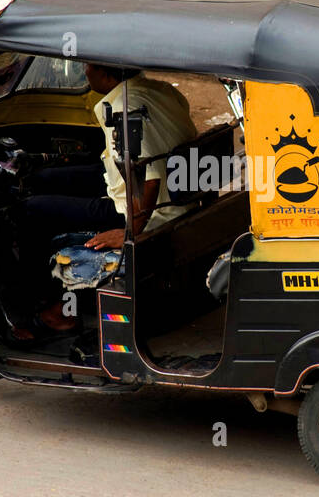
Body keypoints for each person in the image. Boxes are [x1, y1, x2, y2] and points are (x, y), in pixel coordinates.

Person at [11, 63, 194, 338]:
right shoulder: (160, 90)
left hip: (144, 209)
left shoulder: (123, 109)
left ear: (107, 74)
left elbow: (150, 177)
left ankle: (59, 312)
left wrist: (130, 232)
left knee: (29, 210)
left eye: (88, 67)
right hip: (166, 193)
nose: (85, 73)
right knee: (43, 178)